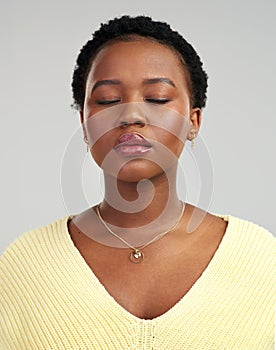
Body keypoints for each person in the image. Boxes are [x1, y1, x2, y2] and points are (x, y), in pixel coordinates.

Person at [0, 15, 275, 350]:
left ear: (194, 121)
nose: (131, 115)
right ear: (85, 124)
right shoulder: (23, 265)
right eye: (107, 100)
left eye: (157, 97)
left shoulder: (261, 259)